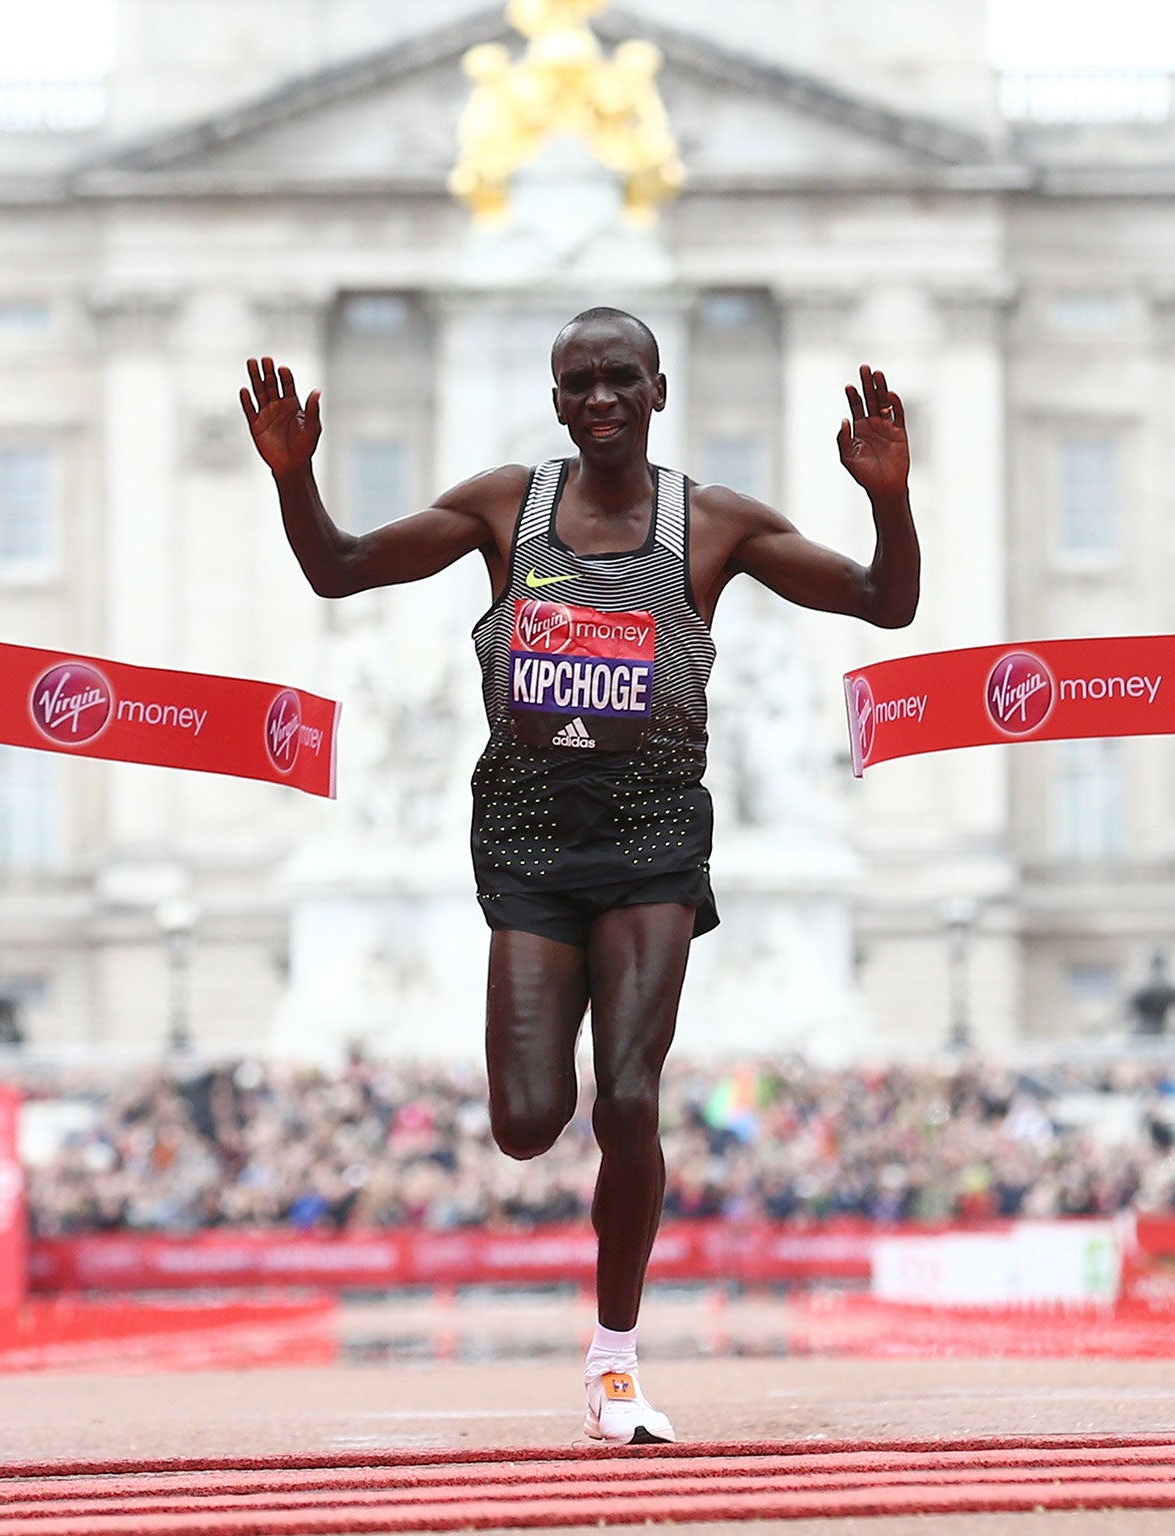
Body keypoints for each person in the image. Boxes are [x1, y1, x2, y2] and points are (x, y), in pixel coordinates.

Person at [241, 306, 916, 1443]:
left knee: (631, 1095)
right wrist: (292, 478)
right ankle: (560, 1163)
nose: (599, 399)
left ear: (659, 391)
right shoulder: (506, 508)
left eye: (619, 380)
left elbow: (882, 601)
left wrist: (887, 496)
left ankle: (614, 1362)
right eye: (577, 384)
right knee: (525, 1119)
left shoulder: (713, 526)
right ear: (555, 402)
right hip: (529, 843)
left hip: (653, 838)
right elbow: (338, 566)